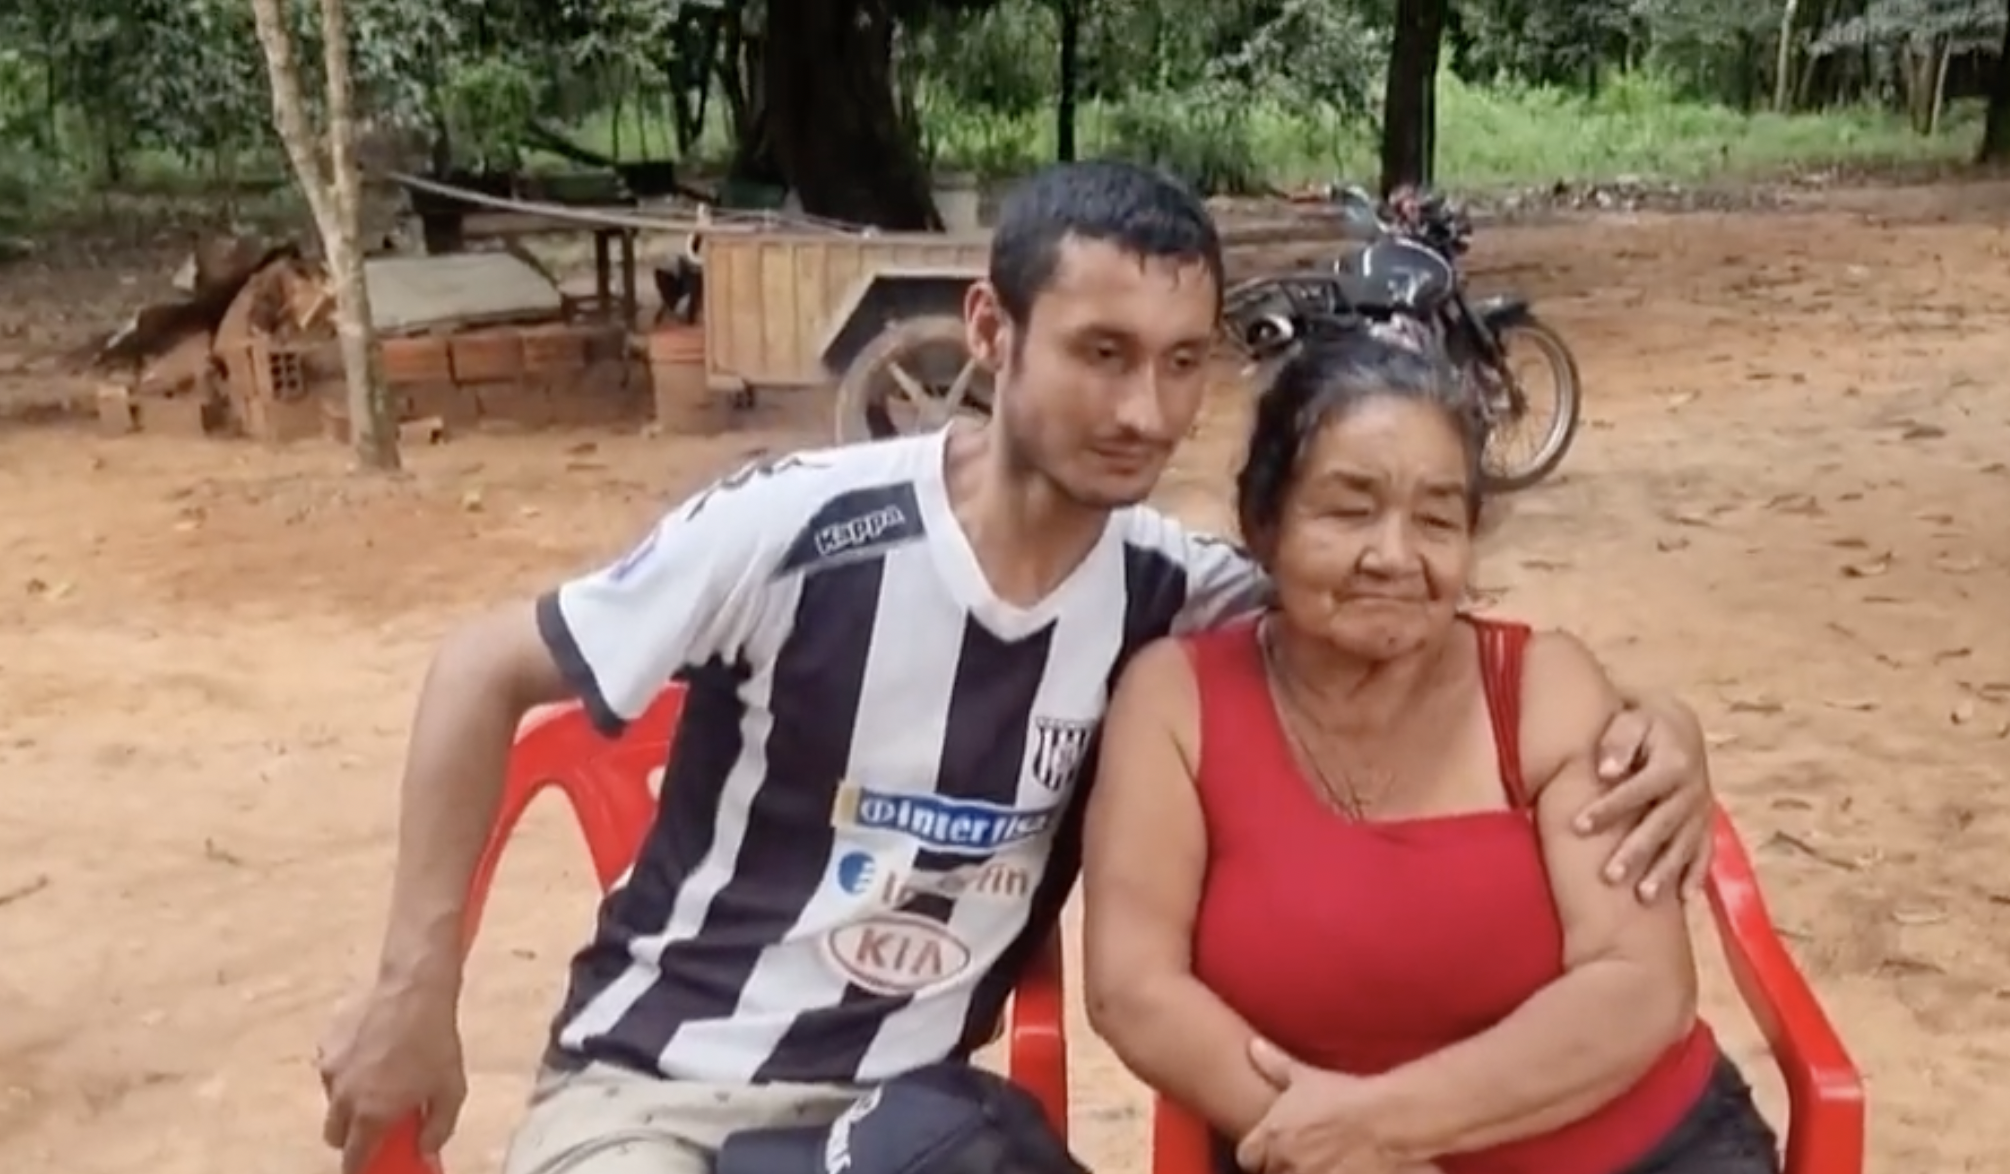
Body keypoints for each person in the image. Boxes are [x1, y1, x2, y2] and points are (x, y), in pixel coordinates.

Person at [315, 162, 1721, 1174]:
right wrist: (412, 988)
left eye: (1179, 365)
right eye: (1100, 353)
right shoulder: (794, 525)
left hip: (909, 1117)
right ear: (990, 331)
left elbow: (1395, 596)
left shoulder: (1173, 594)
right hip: (657, 1102)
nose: (1142, 410)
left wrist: (1659, 721)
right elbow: (481, 670)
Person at [1081, 322, 1779, 1174]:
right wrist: (1329, 1146)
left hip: (1641, 1154)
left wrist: (1378, 1129)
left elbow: (1639, 987)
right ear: (1262, 523)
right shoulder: (1176, 700)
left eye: (1438, 519)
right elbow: (1135, 987)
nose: (1394, 556)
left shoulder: (1543, 689)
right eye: (1349, 509)